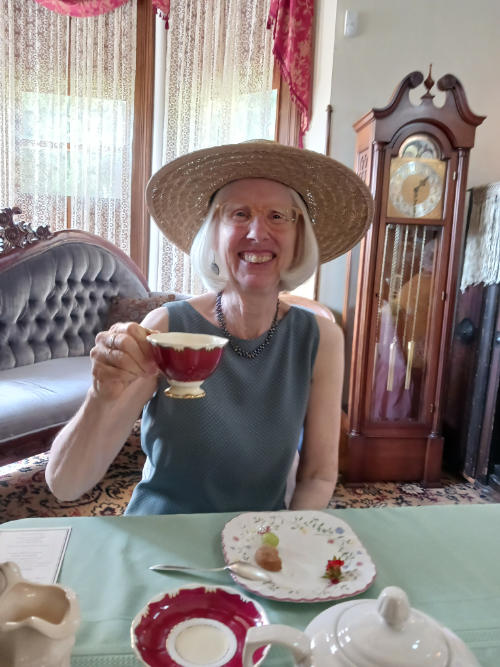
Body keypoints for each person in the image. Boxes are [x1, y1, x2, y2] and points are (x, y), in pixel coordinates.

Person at [45, 140, 373, 514]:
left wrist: (284, 540)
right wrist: (101, 397)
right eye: (239, 214)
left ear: (299, 241)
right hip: (161, 538)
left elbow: (318, 476)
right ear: (213, 236)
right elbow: (65, 484)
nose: (256, 232)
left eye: (278, 216)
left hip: (256, 546)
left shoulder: (321, 339)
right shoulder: (167, 327)